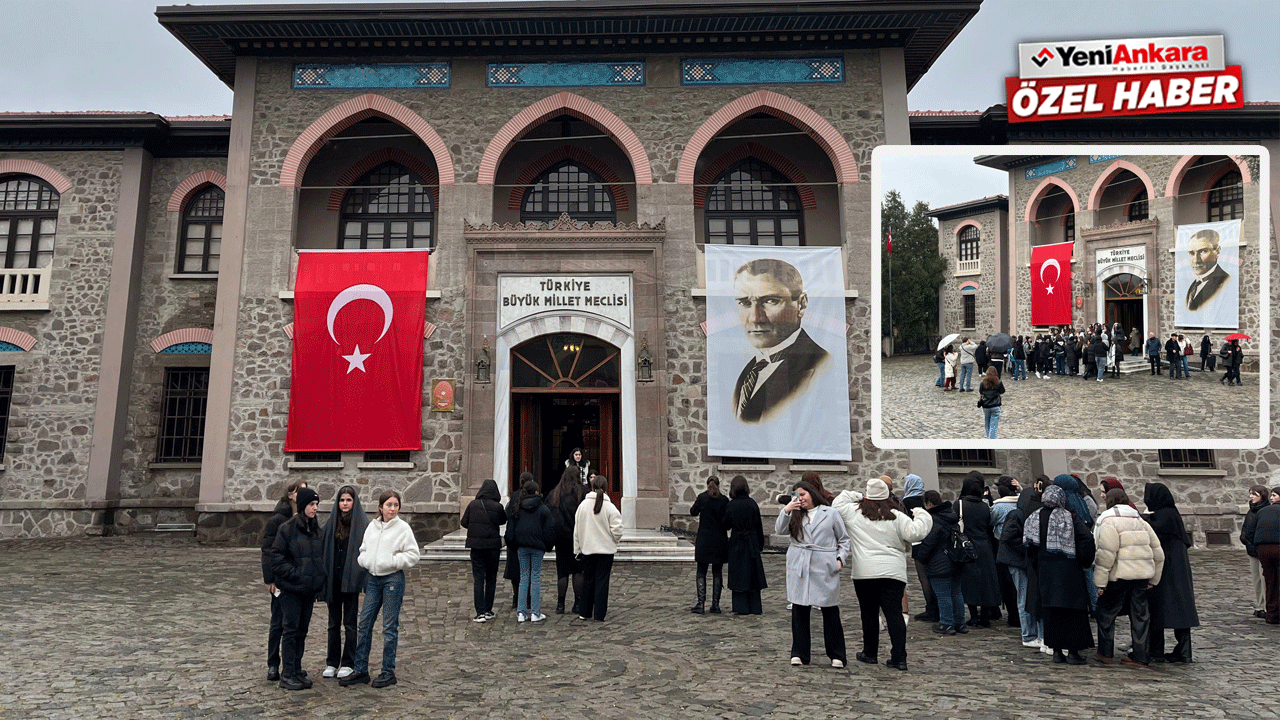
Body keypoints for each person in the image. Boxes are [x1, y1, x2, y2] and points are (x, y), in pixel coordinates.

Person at [834, 477, 932, 671]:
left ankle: (870, 653)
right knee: (894, 614)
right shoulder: (896, 516)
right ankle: (899, 657)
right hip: (892, 571)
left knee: (868, 613)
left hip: (865, 571)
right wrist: (921, 513)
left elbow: (838, 502)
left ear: (867, 496)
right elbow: (916, 533)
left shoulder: (854, 514)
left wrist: (857, 495)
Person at [731, 258, 831, 423]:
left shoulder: (820, 368)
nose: (755, 318)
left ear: (801, 304)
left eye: (770, 301)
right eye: (745, 303)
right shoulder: (749, 371)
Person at [340, 490, 420, 688]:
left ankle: (387, 671)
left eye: (395, 505)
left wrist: (391, 561)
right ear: (381, 507)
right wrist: (366, 561)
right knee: (365, 623)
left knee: (389, 627)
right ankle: (360, 669)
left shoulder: (403, 528)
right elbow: (363, 549)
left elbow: (413, 554)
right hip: (373, 579)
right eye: (389, 505)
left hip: (393, 579)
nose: (392, 509)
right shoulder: (372, 527)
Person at [777, 479, 849, 667]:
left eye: (803, 494)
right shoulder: (794, 514)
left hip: (823, 563)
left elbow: (843, 539)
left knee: (829, 608)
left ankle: (837, 654)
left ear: (812, 493)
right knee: (799, 608)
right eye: (797, 495)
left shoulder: (831, 513)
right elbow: (779, 529)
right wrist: (787, 510)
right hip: (800, 562)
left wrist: (840, 559)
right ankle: (799, 653)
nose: (800, 498)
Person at [1023, 485, 1096, 665]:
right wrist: (1084, 560)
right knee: (1072, 613)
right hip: (1069, 571)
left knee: (1051, 612)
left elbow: (1029, 545)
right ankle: (1073, 652)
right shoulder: (1069, 516)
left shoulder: (1034, 517)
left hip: (1045, 571)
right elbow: (1086, 538)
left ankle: (1056, 651)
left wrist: (1036, 565)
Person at [1093, 488, 1164, 667]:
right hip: (1141, 576)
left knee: (1106, 612)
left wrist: (1100, 582)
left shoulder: (1109, 521)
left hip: (1119, 576)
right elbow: (1159, 554)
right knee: (1140, 615)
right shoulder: (1140, 521)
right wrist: (1153, 580)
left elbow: (1107, 554)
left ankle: (1105, 652)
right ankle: (1140, 655)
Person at [268, 487, 326, 690]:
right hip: (292, 589)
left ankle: (296, 669)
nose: (315, 508)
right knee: (290, 631)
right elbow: (276, 558)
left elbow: (318, 557)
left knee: (302, 630)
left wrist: (318, 578)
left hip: (308, 590)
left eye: (317, 505)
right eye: (311, 504)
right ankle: (287, 673)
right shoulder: (287, 528)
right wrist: (297, 575)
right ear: (302, 506)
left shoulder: (316, 528)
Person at [1143, 482, 1200, 663]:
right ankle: (1184, 651)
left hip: (1166, 572)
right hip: (1179, 572)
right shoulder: (1172, 514)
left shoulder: (1163, 515)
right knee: (1181, 611)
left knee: (1157, 609)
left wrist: (1144, 517)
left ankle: (1156, 651)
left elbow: (1153, 530)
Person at [320, 485, 369, 679]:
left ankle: (348, 661)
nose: (345, 504)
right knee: (333, 623)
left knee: (350, 623)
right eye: (342, 500)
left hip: (350, 581)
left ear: (354, 502)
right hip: (334, 579)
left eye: (348, 500)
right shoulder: (332, 524)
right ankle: (331, 661)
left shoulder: (361, 524)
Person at [260, 480, 306, 682]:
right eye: (299, 491)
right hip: (279, 579)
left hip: (295, 579)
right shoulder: (278, 518)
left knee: (294, 625)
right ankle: (273, 664)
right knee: (278, 622)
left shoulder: (304, 517)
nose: (301, 494)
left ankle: (293, 663)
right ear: (290, 494)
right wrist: (269, 578)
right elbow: (268, 550)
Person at [999, 478, 1046, 650]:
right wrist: (1027, 546)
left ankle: (1033, 633)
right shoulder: (1016, 514)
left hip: (1023, 560)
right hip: (1016, 561)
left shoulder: (1022, 513)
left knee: (1029, 597)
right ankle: (1028, 634)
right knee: (1024, 597)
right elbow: (1008, 538)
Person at [913, 490, 966, 635]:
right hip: (955, 559)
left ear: (928, 503)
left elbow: (929, 543)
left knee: (943, 594)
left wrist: (921, 557)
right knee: (956, 592)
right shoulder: (951, 515)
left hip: (939, 562)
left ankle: (947, 623)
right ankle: (960, 623)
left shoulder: (933, 520)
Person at [573, 474, 624, 622]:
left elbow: (577, 530)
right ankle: (599, 614)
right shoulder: (610, 507)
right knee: (602, 582)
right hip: (605, 550)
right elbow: (618, 529)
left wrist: (577, 549)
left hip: (588, 549)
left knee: (587, 580)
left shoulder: (583, 506)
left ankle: (584, 611)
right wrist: (613, 540)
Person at [957, 475, 1002, 627]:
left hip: (968, 546)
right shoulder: (985, 507)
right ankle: (984, 616)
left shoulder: (960, 504)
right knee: (986, 582)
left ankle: (974, 616)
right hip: (985, 546)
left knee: (969, 582)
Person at [461, 478, 506, 623]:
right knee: (491, 578)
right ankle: (488, 609)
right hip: (493, 547)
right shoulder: (498, 507)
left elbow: (464, 522)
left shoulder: (473, 505)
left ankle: (479, 612)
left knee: (478, 578)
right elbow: (502, 521)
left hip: (477, 546)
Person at [511, 478, 554, 623]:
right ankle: (535, 612)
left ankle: (521, 612)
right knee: (535, 577)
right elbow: (549, 529)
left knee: (524, 578)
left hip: (522, 546)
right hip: (537, 546)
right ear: (536, 491)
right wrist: (548, 546)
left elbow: (513, 526)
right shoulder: (542, 508)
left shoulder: (518, 506)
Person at [724, 475, 767, 615]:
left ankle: (740, 607)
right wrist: (760, 544)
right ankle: (755, 606)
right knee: (752, 575)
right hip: (751, 542)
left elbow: (726, 524)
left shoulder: (731, 505)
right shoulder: (752, 504)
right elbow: (758, 526)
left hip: (737, 542)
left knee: (739, 575)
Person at [547, 468, 585, 615]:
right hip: (577, 537)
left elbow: (549, 514)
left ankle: (560, 604)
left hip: (561, 538)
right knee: (577, 571)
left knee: (562, 572)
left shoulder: (555, 493)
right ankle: (577, 603)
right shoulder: (582, 493)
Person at [690, 476, 730, 614]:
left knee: (701, 571)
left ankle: (701, 603)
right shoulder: (724, 500)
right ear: (718, 485)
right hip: (719, 540)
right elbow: (727, 520)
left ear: (707, 485)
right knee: (717, 572)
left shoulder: (702, 498)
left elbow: (692, 512)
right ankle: (715, 604)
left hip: (704, 539)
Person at [1241, 488, 1280, 624]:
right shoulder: (1253, 512)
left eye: (1254, 494)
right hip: (1261, 548)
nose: (1251, 496)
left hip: (1263, 548)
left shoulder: (1265, 511)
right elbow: (1247, 531)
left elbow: (1251, 531)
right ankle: (1265, 607)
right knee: (1261, 579)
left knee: (1268, 580)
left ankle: (1269, 610)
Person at [902, 474, 937, 622]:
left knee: (924, 579)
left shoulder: (907, 501)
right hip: (933, 541)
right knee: (934, 576)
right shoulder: (926, 499)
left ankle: (931, 609)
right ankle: (938, 607)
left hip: (918, 543)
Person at [989, 476, 1022, 628]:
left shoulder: (998, 507)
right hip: (1020, 545)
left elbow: (990, 521)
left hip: (1002, 545)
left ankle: (1013, 615)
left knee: (1007, 584)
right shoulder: (1021, 502)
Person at [502, 472, 533, 612]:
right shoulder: (532, 498)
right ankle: (526, 598)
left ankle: (516, 598)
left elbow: (508, 514)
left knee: (516, 572)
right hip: (526, 539)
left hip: (514, 539)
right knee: (528, 571)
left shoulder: (514, 496)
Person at [1184, 227, 1232, 312]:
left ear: (1217, 251)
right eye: (1191, 253)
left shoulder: (1225, 282)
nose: (1196, 260)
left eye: (1203, 251)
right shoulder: (1193, 285)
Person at [976, 367, 1004, 440]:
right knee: (994, 425)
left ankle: (989, 438)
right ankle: (991, 440)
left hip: (986, 405)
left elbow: (980, 392)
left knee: (987, 424)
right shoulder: (998, 382)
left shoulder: (983, 383)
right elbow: (1002, 391)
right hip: (995, 405)